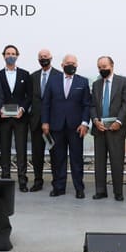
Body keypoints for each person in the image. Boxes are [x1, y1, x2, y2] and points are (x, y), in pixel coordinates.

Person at [41, 54, 90, 199]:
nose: (71, 65)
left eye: (74, 63)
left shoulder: (83, 81)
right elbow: (46, 103)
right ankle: (58, 187)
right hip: (56, 126)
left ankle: (79, 188)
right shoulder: (52, 81)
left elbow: (87, 104)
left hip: (76, 128)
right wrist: (45, 122)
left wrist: (84, 123)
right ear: (62, 65)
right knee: (58, 158)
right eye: (68, 63)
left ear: (77, 65)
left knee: (76, 159)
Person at [89, 56, 126, 202]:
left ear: (112, 65)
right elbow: (92, 105)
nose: (102, 69)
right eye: (99, 67)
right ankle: (100, 191)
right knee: (99, 162)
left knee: (117, 161)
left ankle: (118, 192)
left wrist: (119, 121)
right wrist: (95, 120)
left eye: (104, 66)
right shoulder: (95, 84)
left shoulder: (123, 82)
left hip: (117, 128)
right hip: (99, 128)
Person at [0, 45, 33, 191]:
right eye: (8, 53)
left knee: (21, 149)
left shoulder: (25, 74)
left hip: (20, 118)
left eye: (13, 53)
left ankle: (22, 180)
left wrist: (22, 109)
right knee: (4, 149)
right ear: (3, 55)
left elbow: (29, 96)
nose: (10, 55)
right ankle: (5, 178)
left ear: (17, 56)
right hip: (3, 118)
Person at [29, 49, 59, 192]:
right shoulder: (33, 76)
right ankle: (38, 181)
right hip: (36, 122)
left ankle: (56, 182)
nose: (43, 58)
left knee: (54, 153)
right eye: (40, 57)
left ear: (51, 58)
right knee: (37, 154)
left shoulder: (59, 75)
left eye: (45, 56)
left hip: (53, 122)